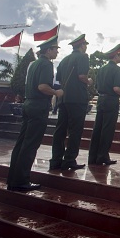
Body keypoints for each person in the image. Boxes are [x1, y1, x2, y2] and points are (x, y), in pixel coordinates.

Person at [7, 35, 63, 192]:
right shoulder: (46, 64)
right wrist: (56, 92)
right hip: (38, 106)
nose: (57, 52)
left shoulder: (33, 64)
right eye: (55, 50)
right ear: (48, 50)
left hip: (28, 104)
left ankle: (13, 179)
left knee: (21, 143)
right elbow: (42, 87)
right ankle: (21, 181)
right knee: (30, 145)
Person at [50, 34, 91, 171]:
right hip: (77, 98)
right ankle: (69, 159)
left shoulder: (64, 60)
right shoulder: (83, 57)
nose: (86, 47)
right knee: (75, 130)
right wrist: (89, 81)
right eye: (85, 45)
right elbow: (82, 76)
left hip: (64, 98)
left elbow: (60, 79)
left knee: (60, 130)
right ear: (82, 45)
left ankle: (55, 160)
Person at [88, 44, 120, 166]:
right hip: (111, 100)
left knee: (98, 128)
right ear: (116, 56)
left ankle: (93, 156)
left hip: (101, 99)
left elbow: (96, 86)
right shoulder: (116, 69)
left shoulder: (102, 69)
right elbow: (116, 88)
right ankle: (102, 156)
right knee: (108, 129)